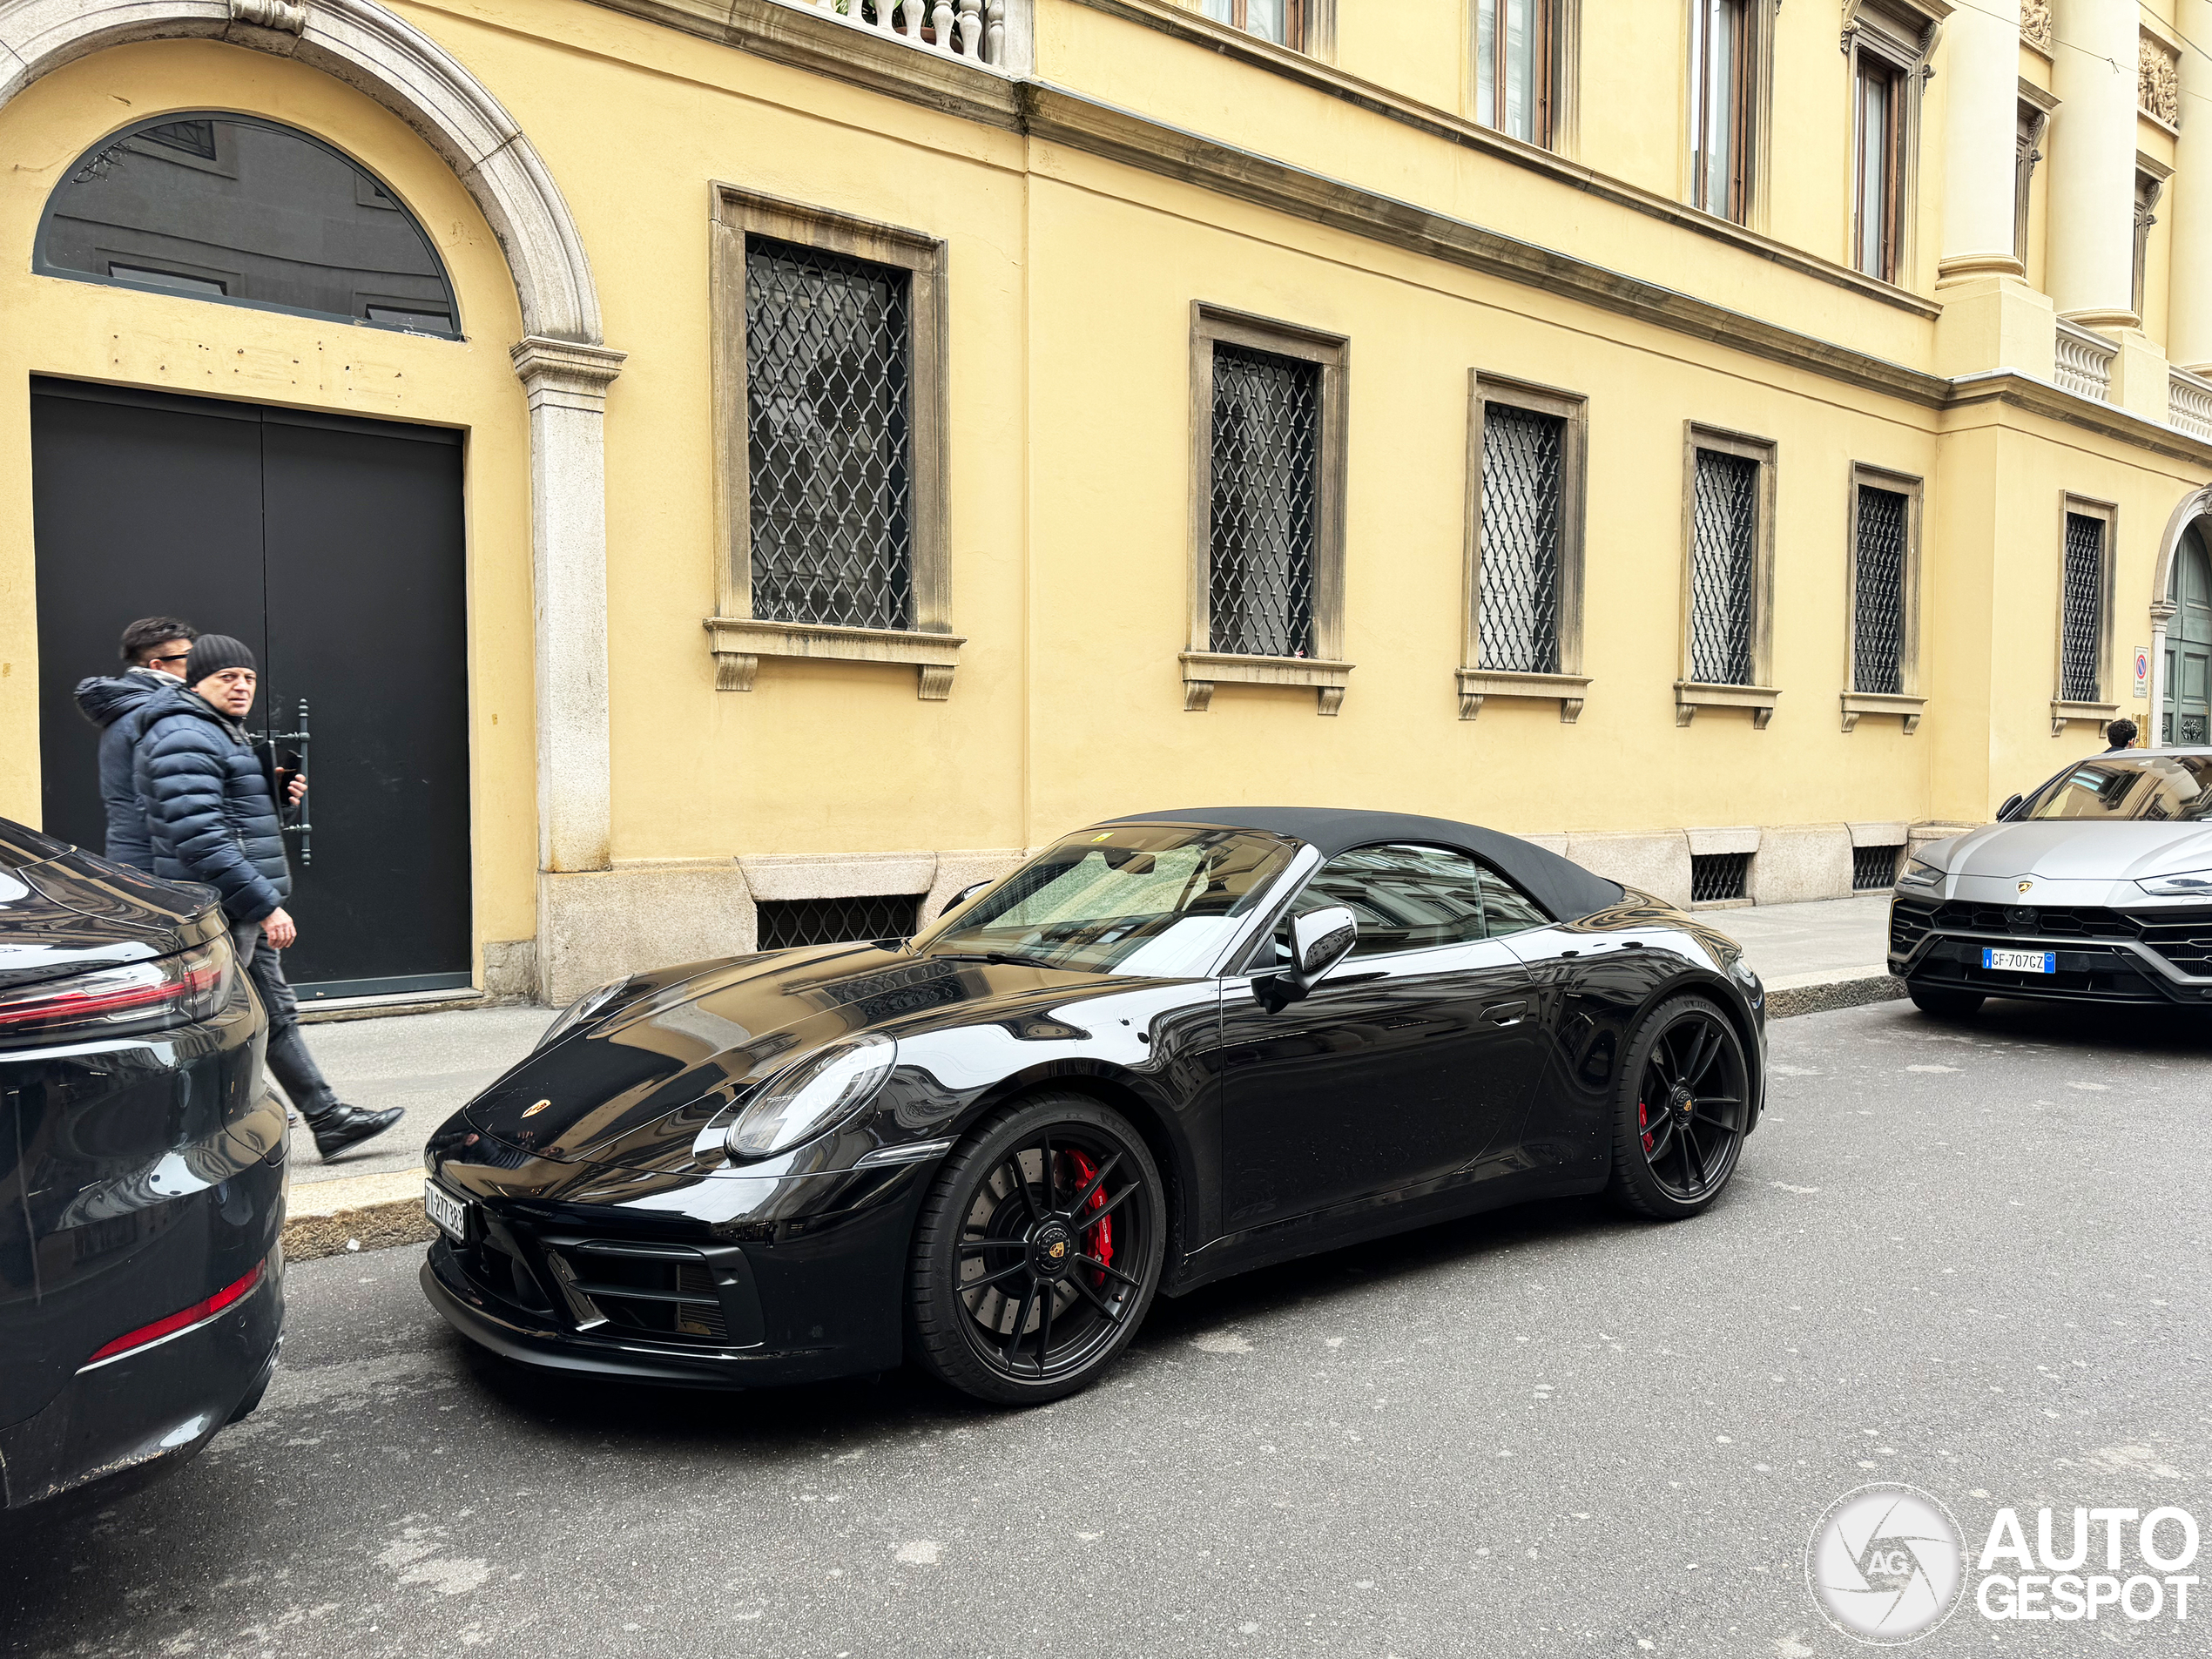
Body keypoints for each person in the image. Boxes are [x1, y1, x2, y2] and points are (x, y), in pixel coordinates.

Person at [133, 635, 403, 1161]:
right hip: (223, 910)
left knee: (271, 1015)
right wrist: (263, 904)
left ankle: (328, 1118)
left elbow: (232, 821)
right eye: (226, 677)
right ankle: (185, 1138)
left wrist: (272, 795)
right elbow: (201, 838)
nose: (241, 687)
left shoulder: (218, 731)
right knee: (212, 1028)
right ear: (197, 681)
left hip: (238, 907)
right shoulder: (184, 734)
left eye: (248, 678)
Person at [71, 616, 198, 870]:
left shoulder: (135, 707)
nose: (199, 665)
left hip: (138, 857)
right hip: (156, 865)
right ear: (158, 666)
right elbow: (168, 799)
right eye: (189, 658)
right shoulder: (152, 715)